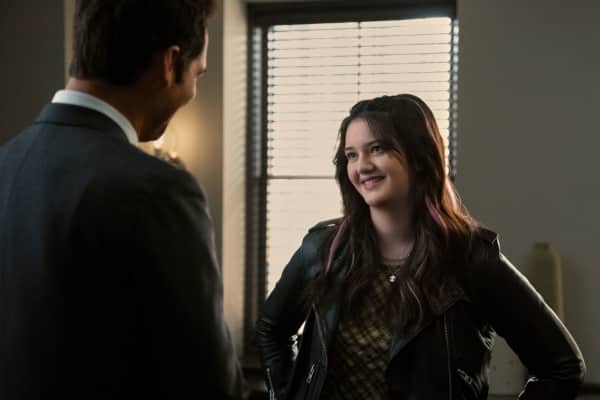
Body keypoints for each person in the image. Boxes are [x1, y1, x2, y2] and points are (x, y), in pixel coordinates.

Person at [255, 94, 585, 400]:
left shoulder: (471, 259)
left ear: (418, 157)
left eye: (377, 149)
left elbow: (563, 367)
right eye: (351, 155)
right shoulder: (321, 249)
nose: (362, 166)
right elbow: (271, 330)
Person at [0, 1, 242, 399]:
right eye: (197, 75)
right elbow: (206, 382)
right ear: (170, 64)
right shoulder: (156, 191)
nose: (193, 92)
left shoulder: (5, 163)